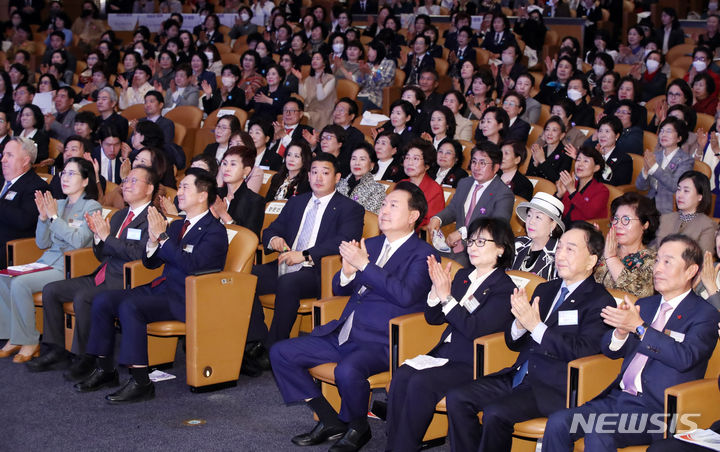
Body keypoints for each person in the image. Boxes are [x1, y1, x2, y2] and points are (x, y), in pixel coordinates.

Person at [270, 181, 437, 451]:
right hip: (346, 331)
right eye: (384, 204)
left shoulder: (423, 254)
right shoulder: (370, 243)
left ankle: (358, 425)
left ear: (413, 216)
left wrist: (364, 265)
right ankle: (329, 419)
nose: (383, 210)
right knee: (281, 353)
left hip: (382, 340)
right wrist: (347, 272)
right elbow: (340, 289)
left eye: (393, 205)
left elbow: (406, 295)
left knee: (348, 371)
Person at [446, 221, 614, 452]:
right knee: (457, 398)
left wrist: (536, 326)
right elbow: (512, 342)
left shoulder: (600, 301)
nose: (560, 255)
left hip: (551, 386)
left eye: (570, 249)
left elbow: (583, 351)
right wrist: (519, 325)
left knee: (495, 413)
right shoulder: (546, 289)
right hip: (517, 373)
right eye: (560, 247)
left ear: (591, 261)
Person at [542, 235, 720, 451]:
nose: (657, 269)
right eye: (657, 261)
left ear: (691, 271)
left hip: (656, 412)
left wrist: (640, 328)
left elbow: (686, 358)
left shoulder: (704, 314)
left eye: (667, 262)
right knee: (558, 422)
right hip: (617, 399)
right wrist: (619, 332)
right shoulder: (645, 305)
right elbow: (609, 349)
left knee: (600, 433)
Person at [76, 168, 229, 403]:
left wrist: (164, 239)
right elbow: (151, 263)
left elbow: (193, 266)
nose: (180, 192)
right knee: (104, 300)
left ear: (202, 195)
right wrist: (154, 242)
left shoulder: (215, 232)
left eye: (186, 187)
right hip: (162, 288)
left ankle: (140, 381)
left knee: (131, 306)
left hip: (187, 298)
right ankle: (105, 368)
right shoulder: (178, 225)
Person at [385, 218, 517, 451]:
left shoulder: (504, 288)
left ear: (500, 249)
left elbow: (474, 330)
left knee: (420, 383)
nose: (473, 247)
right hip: (444, 353)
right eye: (472, 241)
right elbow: (433, 318)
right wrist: (436, 292)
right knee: (402, 374)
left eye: (481, 242)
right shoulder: (464, 276)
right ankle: (396, 446)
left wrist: (447, 298)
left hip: (471, 361)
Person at [28, 166, 156, 380]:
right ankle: (56, 349)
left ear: (150, 188)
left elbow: (140, 255)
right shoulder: (120, 215)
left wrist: (107, 238)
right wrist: (98, 237)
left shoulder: (152, 217)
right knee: (52, 290)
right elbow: (101, 253)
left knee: (83, 298)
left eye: (134, 181)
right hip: (102, 273)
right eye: (126, 181)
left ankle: (87, 357)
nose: (126, 185)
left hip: (124, 280)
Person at [245, 153, 364, 371]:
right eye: (314, 172)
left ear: (337, 177)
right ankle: (257, 339)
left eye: (325, 173)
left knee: (289, 282)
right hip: (286, 263)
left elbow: (344, 240)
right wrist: (274, 240)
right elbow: (271, 229)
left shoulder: (350, 208)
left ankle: (273, 348)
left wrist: (305, 254)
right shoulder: (296, 202)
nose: (318, 177)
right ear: (308, 175)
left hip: (318, 271)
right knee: (245, 279)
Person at [0, 158, 101, 363]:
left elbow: (79, 242)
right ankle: (14, 336)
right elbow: (41, 242)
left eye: (72, 174)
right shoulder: (59, 203)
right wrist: (44, 218)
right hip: (47, 260)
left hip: (69, 265)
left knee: (20, 283)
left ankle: (30, 340)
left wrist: (54, 218)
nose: (65, 177)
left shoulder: (91, 206)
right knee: (4, 277)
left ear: (84, 181)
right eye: (64, 173)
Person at [427, 141, 514, 267]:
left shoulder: (504, 194)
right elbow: (453, 209)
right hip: (455, 246)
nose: (476, 167)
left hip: (480, 251)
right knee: (425, 259)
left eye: (482, 163)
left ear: (496, 167)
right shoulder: (465, 183)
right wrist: (438, 219)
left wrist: (463, 233)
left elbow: (496, 226)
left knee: (451, 268)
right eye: (474, 162)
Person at [595, 192, 660, 299]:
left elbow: (638, 293)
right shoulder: (606, 251)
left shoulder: (653, 260)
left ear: (645, 225)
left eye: (626, 220)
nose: (618, 225)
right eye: (615, 219)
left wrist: (611, 258)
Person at [0, 137, 50, 269]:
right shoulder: (1, 181)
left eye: (9, 155)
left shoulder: (36, 186)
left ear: (25, 161)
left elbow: (23, 221)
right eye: (3, 154)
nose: (3, 160)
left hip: (11, 248)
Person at [636, 117, 695, 214]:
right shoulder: (655, 156)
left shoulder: (686, 160)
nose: (663, 134)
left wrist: (654, 167)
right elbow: (640, 187)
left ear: (679, 138)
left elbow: (675, 186)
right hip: (648, 204)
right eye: (661, 131)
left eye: (669, 131)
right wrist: (645, 171)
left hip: (669, 208)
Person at [654, 171, 717, 252]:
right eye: (679, 189)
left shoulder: (708, 226)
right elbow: (655, 248)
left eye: (686, 191)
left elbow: (704, 259)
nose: (679, 195)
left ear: (700, 197)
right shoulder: (665, 218)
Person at [211, 146, 265, 238]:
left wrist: (224, 215)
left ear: (246, 171)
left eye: (233, 164)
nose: (226, 169)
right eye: (224, 163)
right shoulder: (214, 194)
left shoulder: (255, 201)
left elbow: (249, 239)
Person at [513, 192, 564, 280]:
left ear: (553, 225)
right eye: (529, 215)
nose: (531, 221)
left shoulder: (561, 255)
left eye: (538, 217)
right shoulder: (518, 244)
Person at [556, 146, 609, 223]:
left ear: (596, 168)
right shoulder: (572, 184)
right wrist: (559, 195)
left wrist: (572, 191)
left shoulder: (602, 190)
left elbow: (589, 213)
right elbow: (556, 211)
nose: (580, 164)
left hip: (584, 230)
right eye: (578, 160)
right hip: (563, 225)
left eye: (586, 161)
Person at [401, 139, 444, 228]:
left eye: (415, 158)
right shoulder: (401, 184)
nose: (410, 162)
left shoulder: (435, 190)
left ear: (427, 165)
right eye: (407, 158)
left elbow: (429, 225)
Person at [336, 143, 387, 214]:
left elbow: (369, 218)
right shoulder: (338, 183)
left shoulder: (377, 190)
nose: (357, 163)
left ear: (371, 165)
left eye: (362, 159)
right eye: (354, 158)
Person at [526, 116, 573, 183]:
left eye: (554, 130)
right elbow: (529, 176)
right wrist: (535, 166)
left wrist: (542, 161)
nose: (549, 133)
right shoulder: (539, 150)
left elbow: (558, 180)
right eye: (547, 129)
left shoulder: (566, 154)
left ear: (562, 135)